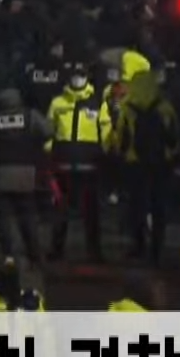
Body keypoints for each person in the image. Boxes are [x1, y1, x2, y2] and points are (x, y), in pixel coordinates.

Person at [107, 70, 178, 263]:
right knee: (158, 206)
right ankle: (156, 249)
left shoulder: (127, 109)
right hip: (160, 164)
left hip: (135, 164)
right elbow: (174, 139)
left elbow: (120, 139)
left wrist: (120, 155)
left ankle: (138, 246)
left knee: (136, 205)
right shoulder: (165, 108)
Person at [47, 62, 112, 262]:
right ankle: (57, 249)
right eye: (75, 75)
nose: (77, 79)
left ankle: (94, 251)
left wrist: (104, 152)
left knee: (91, 211)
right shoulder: (57, 102)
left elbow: (106, 129)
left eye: (81, 75)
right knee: (61, 210)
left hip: (89, 163)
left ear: (86, 77)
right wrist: (49, 152)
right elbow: (50, 129)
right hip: (63, 162)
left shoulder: (97, 102)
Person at [0, 87, 50, 265]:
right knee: (28, 215)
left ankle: (7, 254)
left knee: (3, 218)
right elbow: (48, 131)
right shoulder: (31, 115)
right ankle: (34, 255)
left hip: (0, 173)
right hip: (25, 173)